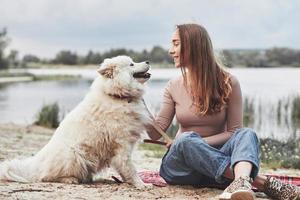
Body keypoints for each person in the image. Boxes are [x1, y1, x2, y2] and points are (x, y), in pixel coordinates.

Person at [146, 23, 299, 200]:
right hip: (182, 169)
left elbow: (234, 132)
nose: (171, 50)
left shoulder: (229, 82)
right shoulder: (173, 86)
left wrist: (198, 143)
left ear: (194, 46)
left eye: (176, 44)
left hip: (216, 169)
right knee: (186, 140)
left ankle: (240, 182)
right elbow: (155, 134)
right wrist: (137, 103)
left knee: (246, 133)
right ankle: (260, 182)